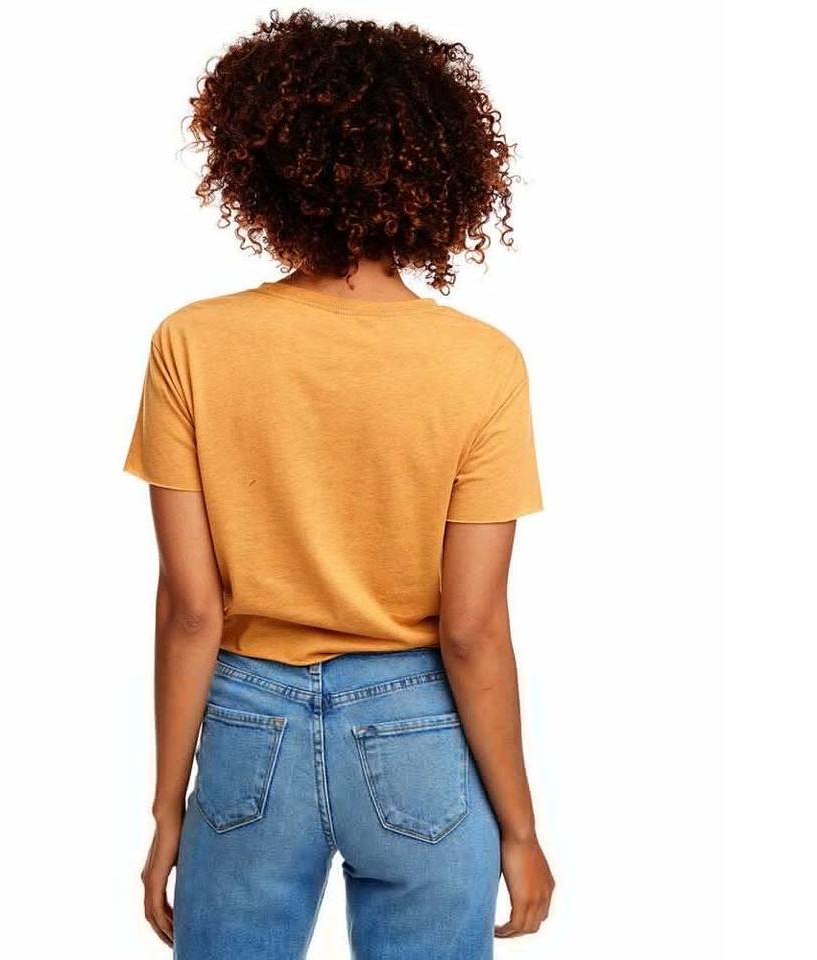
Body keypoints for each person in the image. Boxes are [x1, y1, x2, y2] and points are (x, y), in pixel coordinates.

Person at [123, 10, 554, 959]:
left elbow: (191, 609)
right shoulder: (483, 364)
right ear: (439, 172)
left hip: (248, 728)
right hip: (419, 729)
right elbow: (472, 628)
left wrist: (165, 810)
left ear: (263, 167)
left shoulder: (192, 343)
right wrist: (521, 831)